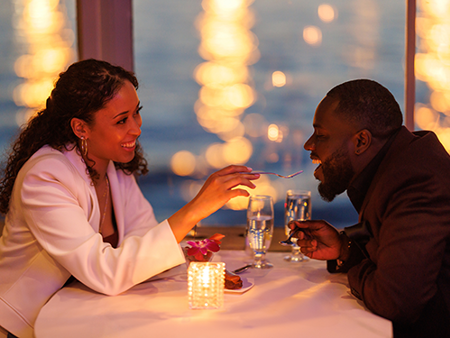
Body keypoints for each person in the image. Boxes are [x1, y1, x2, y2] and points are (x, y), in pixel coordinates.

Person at [0, 59, 260, 338]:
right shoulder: (45, 178)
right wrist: (195, 209)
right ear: (80, 128)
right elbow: (106, 272)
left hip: (82, 315)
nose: (136, 128)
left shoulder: (109, 166)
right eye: (121, 120)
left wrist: (192, 257)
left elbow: (143, 239)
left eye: (137, 113)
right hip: (25, 326)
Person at [291, 79, 450, 337]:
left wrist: (358, 269)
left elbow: (396, 302)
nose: (309, 145)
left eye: (321, 135)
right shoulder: (400, 162)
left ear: (361, 141)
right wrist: (345, 248)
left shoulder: (417, 184)